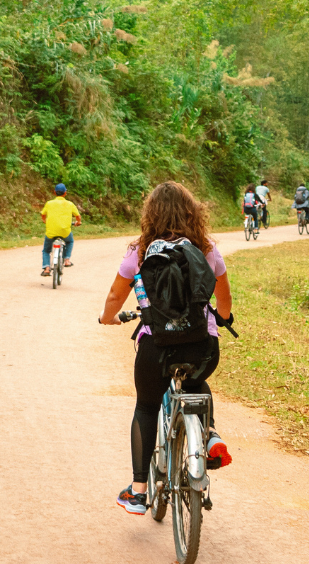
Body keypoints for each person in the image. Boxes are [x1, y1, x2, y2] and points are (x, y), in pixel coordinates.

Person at [99, 181, 235, 515]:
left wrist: (108, 318)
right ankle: (210, 435)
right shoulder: (206, 247)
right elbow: (224, 296)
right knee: (195, 382)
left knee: (146, 407)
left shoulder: (140, 251)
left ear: (150, 215)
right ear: (193, 212)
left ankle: (139, 491)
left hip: (156, 348)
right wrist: (222, 318)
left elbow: (116, 298)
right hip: (201, 347)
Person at [40, 183, 81, 277]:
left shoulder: (49, 203)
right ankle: (67, 260)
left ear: (54, 192)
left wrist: (45, 221)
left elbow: (43, 214)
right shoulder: (70, 204)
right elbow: (78, 216)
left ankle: (46, 268)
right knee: (70, 241)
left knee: (46, 250)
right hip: (65, 232)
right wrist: (78, 222)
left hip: (51, 232)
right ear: (65, 193)